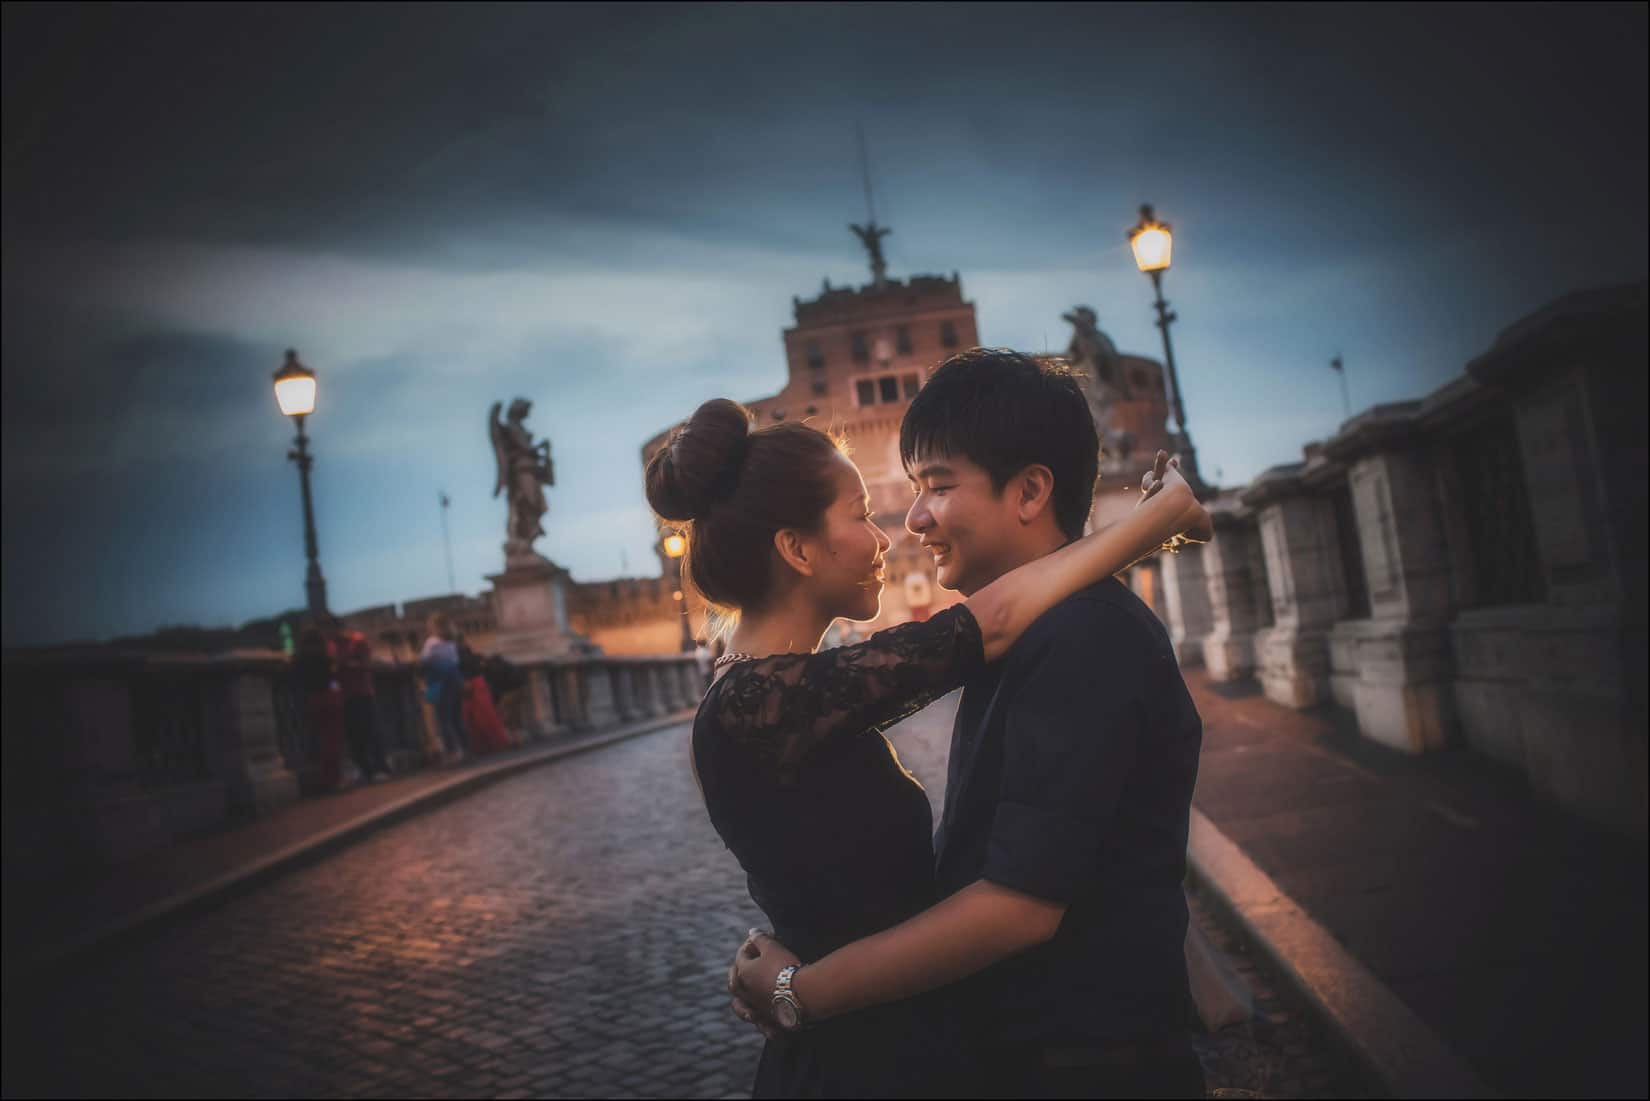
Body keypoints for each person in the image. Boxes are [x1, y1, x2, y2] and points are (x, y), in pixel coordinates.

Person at [643, 378, 1207, 1098]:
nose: (896, 529)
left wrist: (796, 984)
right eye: (862, 514)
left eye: (932, 487)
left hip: (895, 1041)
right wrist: (1159, 518)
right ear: (797, 549)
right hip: (871, 1057)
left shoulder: (777, 691)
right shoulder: (763, 700)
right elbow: (988, 625)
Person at [334, 623, 391, 783]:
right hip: (345, 696)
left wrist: (346, 665)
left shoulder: (357, 641)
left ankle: (380, 768)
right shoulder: (332, 646)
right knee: (355, 737)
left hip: (363, 692)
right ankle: (366, 770)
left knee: (371, 732)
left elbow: (367, 664)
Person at [293, 623, 345, 793]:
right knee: (333, 741)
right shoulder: (325, 654)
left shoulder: (300, 657)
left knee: (320, 740)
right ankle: (334, 780)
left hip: (313, 699)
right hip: (330, 697)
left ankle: (324, 779)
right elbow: (334, 674)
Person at [420, 613, 470, 764]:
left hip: (439, 682)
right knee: (457, 718)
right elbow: (455, 662)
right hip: (455, 680)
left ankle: (453, 752)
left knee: (443, 719)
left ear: (434, 626)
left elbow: (424, 661)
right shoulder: (451, 642)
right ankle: (466, 749)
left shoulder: (432, 642)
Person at [458, 635, 513, 755]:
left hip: (472, 686)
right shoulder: (468, 653)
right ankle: (495, 743)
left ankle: (486, 745)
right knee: (484, 716)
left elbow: (465, 668)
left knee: (476, 718)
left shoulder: (459, 653)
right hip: (477, 684)